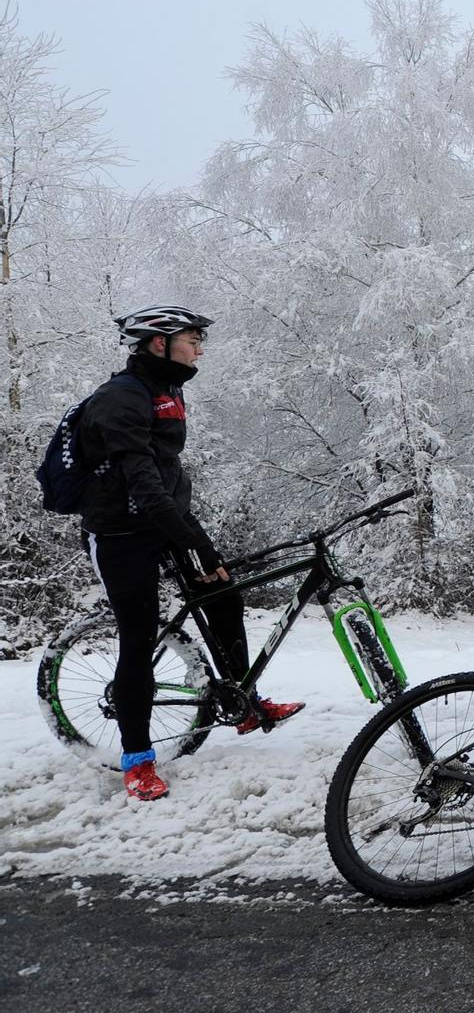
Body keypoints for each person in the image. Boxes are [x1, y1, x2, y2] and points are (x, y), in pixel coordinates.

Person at [80, 305, 303, 801]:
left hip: (167, 518)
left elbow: (164, 469)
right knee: (138, 638)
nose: (200, 347)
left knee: (224, 597)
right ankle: (136, 760)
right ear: (159, 342)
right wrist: (194, 542)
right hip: (120, 533)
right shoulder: (119, 398)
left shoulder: (166, 389)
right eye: (192, 338)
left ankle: (244, 704)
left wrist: (191, 534)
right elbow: (140, 482)